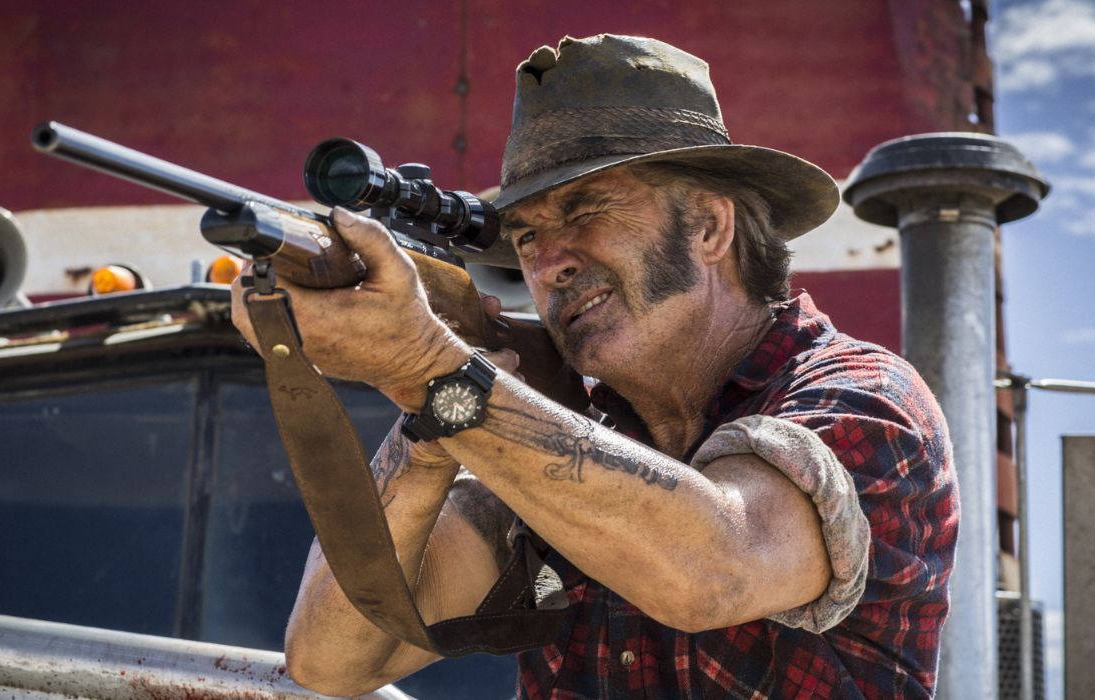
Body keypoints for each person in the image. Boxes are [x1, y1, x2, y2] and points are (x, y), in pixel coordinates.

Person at [233, 34, 958, 699]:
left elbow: (714, 570)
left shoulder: (862, 398)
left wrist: (438, 371)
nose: (549, 263)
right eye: (525, 235)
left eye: (585, 210)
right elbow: (333, 658)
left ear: (709, 226)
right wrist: (427, 410)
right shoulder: (543, 439)